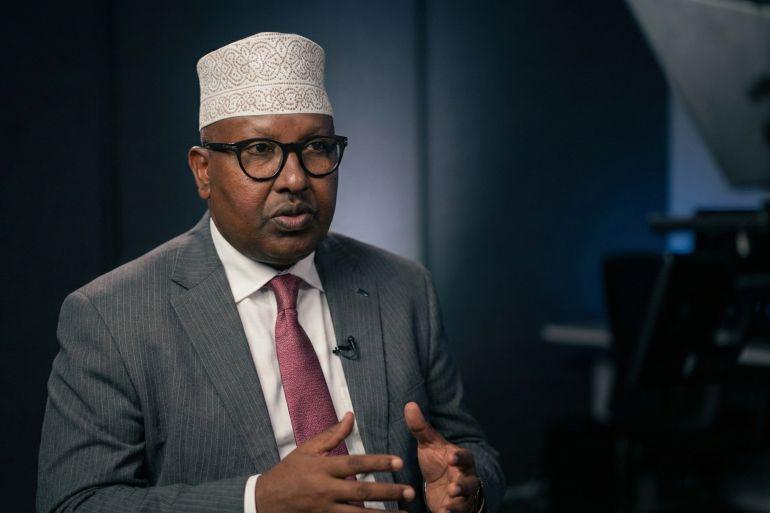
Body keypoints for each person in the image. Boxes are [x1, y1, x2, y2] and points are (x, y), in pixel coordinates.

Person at [36, 32, 504, 513]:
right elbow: (74, 503)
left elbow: (467, 450)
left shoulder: (403, 287)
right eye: (259, 150)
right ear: (203, 171)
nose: (295, 179)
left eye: (316, 147)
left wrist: (466, 488)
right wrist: (258, 500)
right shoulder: (112, 316)